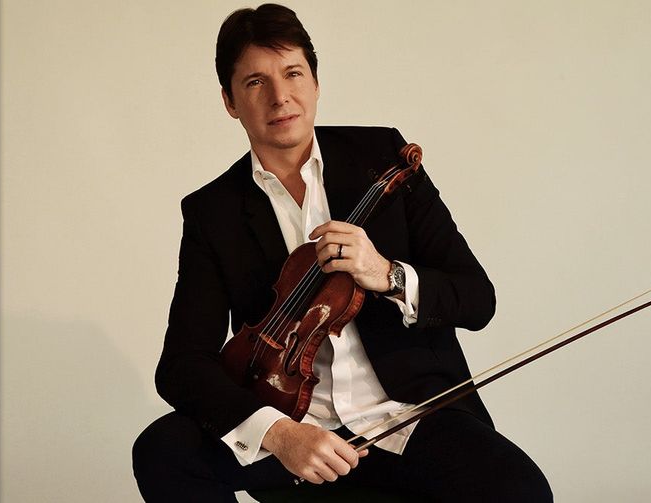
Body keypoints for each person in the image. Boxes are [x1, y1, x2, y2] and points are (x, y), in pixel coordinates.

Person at [132, 4, 552, 502]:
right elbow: (182, 365)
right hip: (297, 433)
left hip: (408, 417)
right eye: (255, 82)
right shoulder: (213, 210)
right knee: (162, 450)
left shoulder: (383, 159)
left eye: (293, 73)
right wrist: (277, 434)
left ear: (315, 81)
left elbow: (478, 299)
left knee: (521, 491)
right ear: (229, 101)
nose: (280, 96)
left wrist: (387, 273)